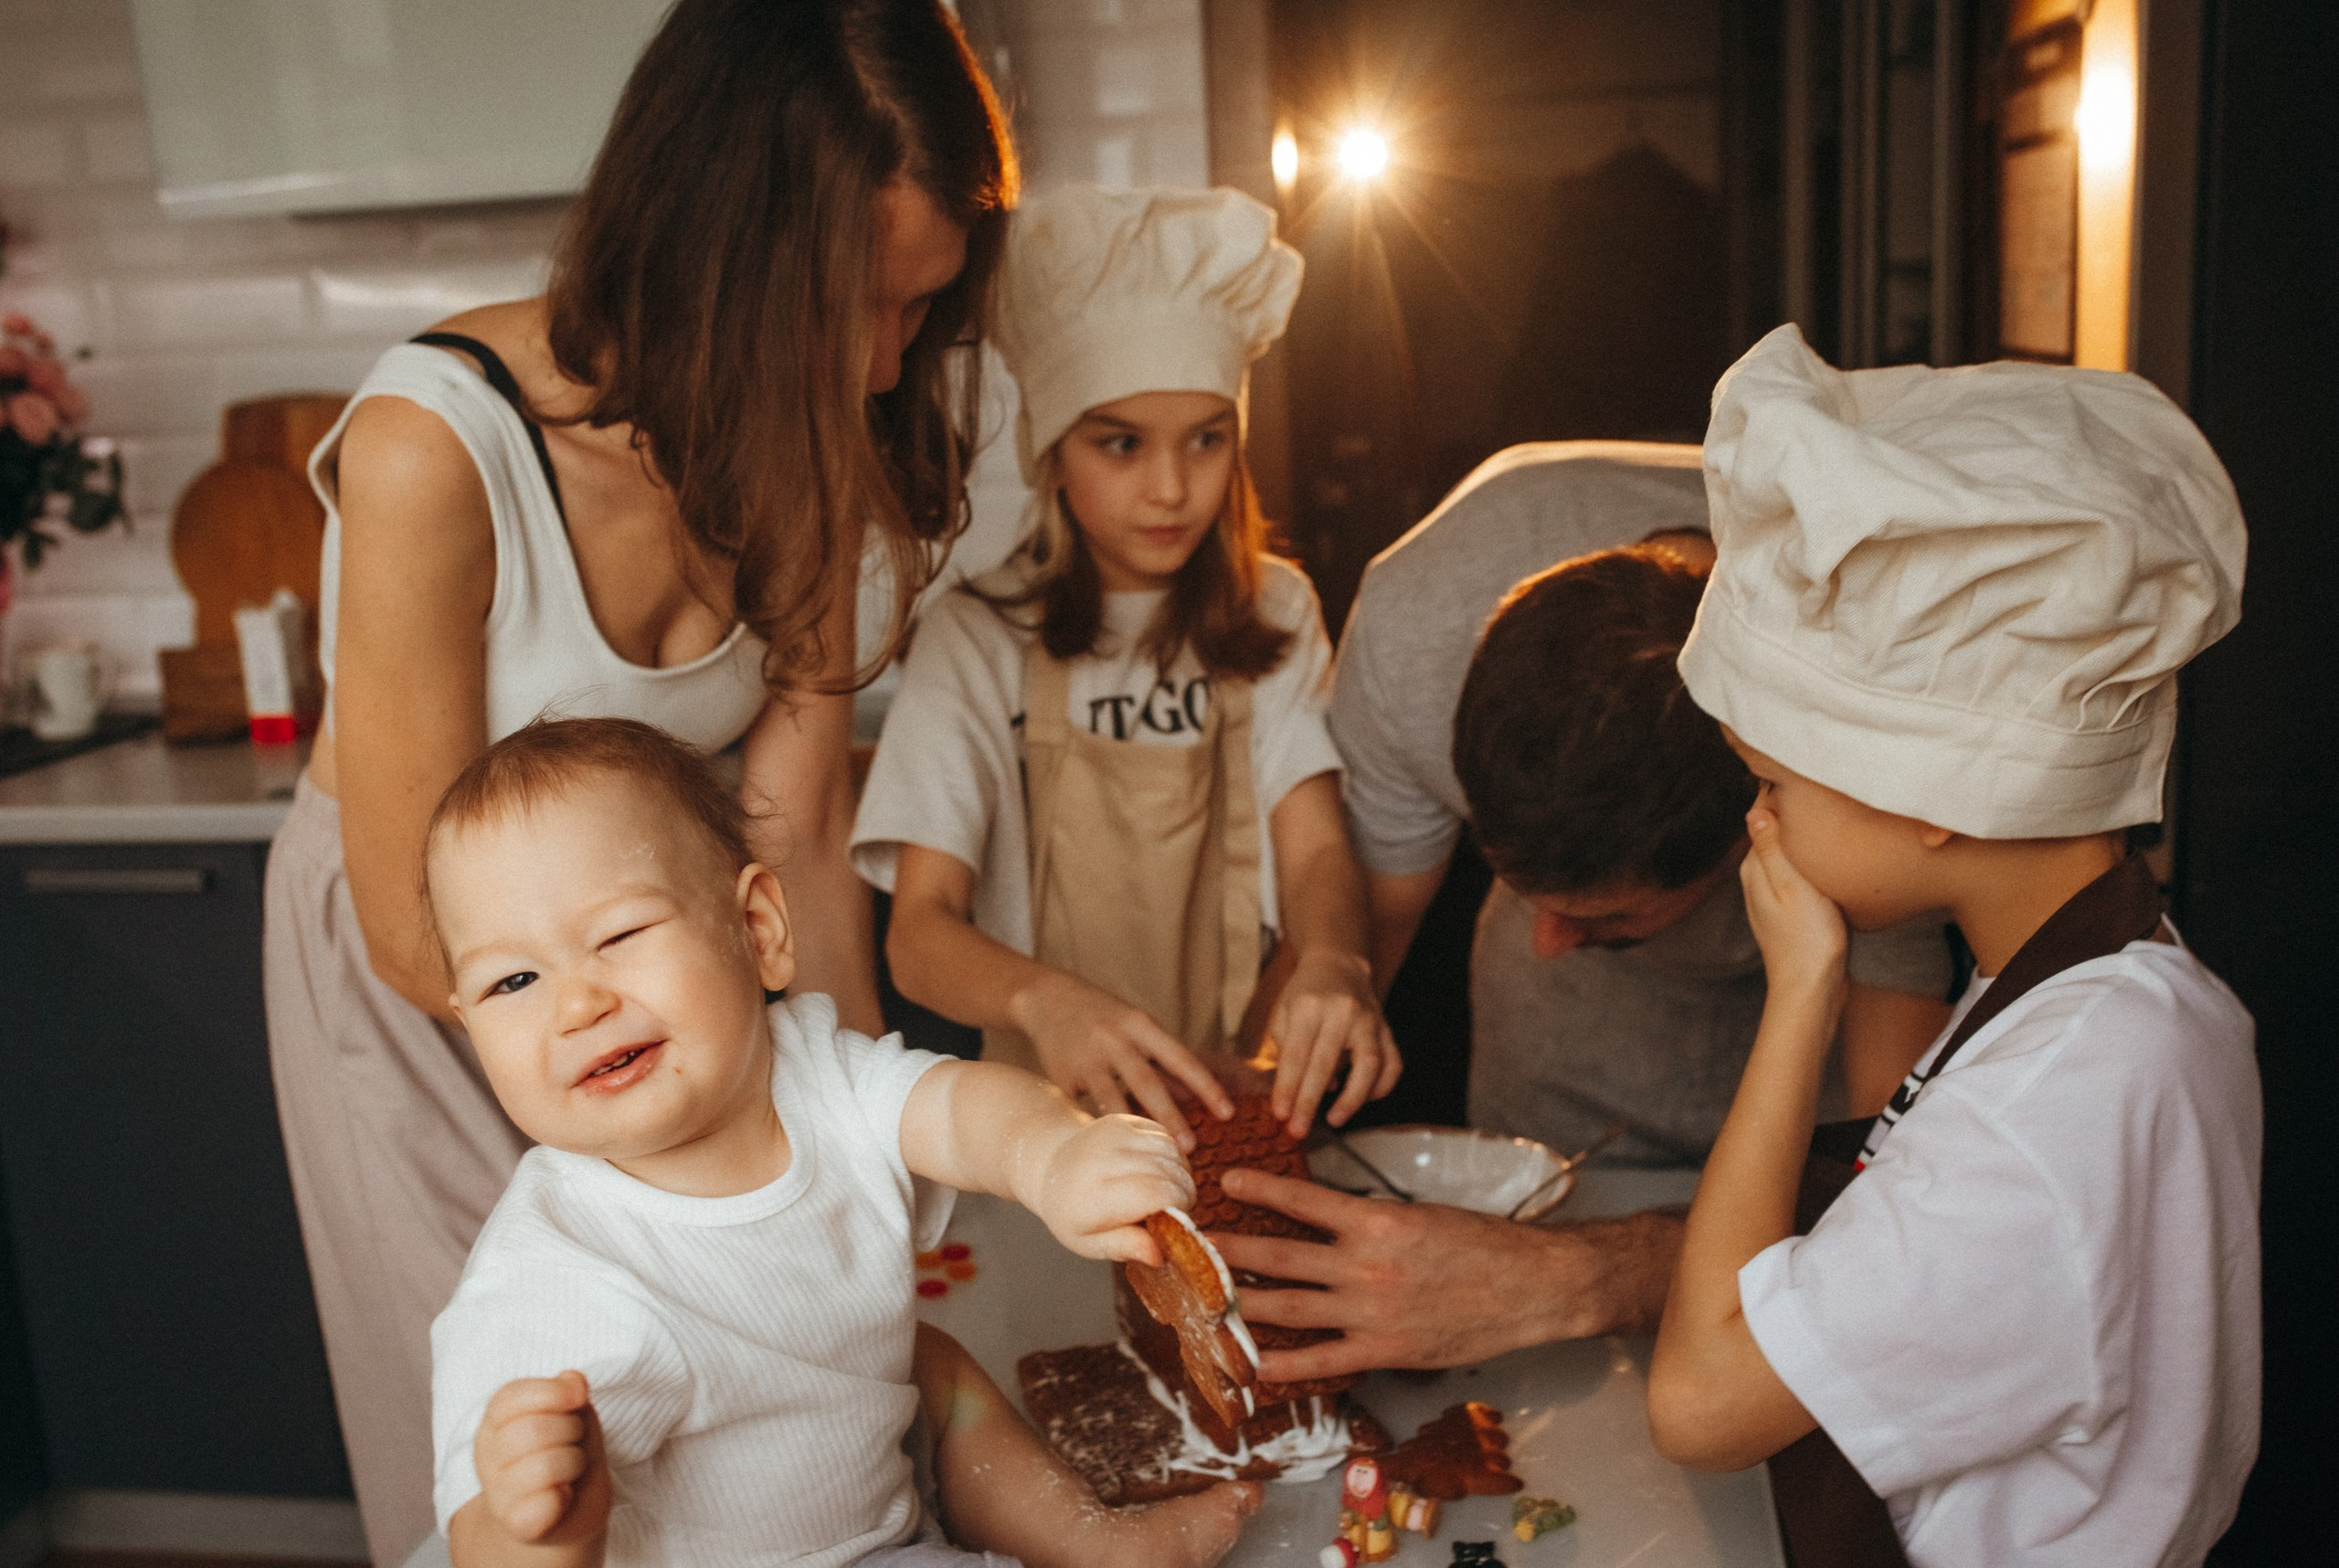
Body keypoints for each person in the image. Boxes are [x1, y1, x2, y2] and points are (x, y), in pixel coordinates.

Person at [261, 4, 1015, 1558]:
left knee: (791, 1410)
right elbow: (423, 937)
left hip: (664, 945)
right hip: (456, 991)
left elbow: (796, 830)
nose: (888, 364)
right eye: (860, 309)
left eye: (917, 312)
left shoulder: (807, 437)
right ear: (724, 256)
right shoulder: (436, 448)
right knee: (528, 1470)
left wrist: (842, 1167)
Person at [1647, 325, 2258, 1567]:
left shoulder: (2059, 1104)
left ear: (1933, 785)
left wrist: (1801, 993)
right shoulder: (2116, 991)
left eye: (1774, 780)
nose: (1758, 823)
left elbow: (1702, 1400)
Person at [423, 718, 1259, 1568]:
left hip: (877, 1489)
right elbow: (482, 1546)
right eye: (512, 981)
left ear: (756, 930)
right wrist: (540, 1524)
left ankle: (1095, 1543)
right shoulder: (550, 1281)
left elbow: (960, 1110)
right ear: (468, 1023)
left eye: (620, 936)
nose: (577, 1005)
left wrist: (1054, 1155)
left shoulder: (814, 1073)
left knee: (929, 1366)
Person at [1217, 460, 1952, 1380]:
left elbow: (1883, 1205)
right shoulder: (1420, 620)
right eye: (1514, 887)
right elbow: (1355, 942)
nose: (1545, 944)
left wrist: (1580, 1276)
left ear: (1757, 824)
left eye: (1604, 921)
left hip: (1792, 1061)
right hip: (1546, 1072)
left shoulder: (1857, 723)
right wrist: (1232, 1157)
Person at [856, 185, 1396, 1147]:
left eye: (1205, 440)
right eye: (1121, 445)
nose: (1171, 488)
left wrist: (1336, 961)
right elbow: (920, 935)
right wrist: (1044, 1001)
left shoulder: (1273, 608)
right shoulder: (976, 638)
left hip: (1233, 1099)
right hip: (1037, 1127)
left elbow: (1313, 845)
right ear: (1052, 451)